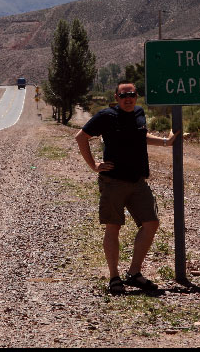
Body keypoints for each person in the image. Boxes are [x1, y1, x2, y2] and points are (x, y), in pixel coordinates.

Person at [75, 81, 179, 295]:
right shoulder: (106, 116)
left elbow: (141, 136)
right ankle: (114, 277)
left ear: (136, 96)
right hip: (113, 181)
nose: (128, 98)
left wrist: (165, 142)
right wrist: (94, 165)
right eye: (124, 96)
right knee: (113, 227)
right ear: (116, 97)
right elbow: (81, 137)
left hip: (138, 181)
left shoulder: (139, 113)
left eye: (132, 94)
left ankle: (134, 273)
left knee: (151, 223)